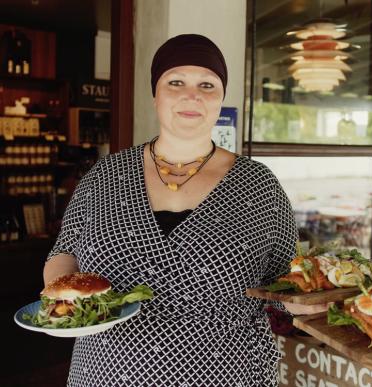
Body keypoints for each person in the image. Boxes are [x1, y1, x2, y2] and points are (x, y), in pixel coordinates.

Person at [44, 34, 325, 387]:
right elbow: (64, 252)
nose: (191, 95)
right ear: (155, 94)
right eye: (175, 81)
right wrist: (66, 304)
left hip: (229, 375)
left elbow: (287, 281)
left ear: (221, 98)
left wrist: (307, 302)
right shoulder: (104, 175)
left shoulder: (259, 185)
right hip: (106, 372)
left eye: (207, 84)